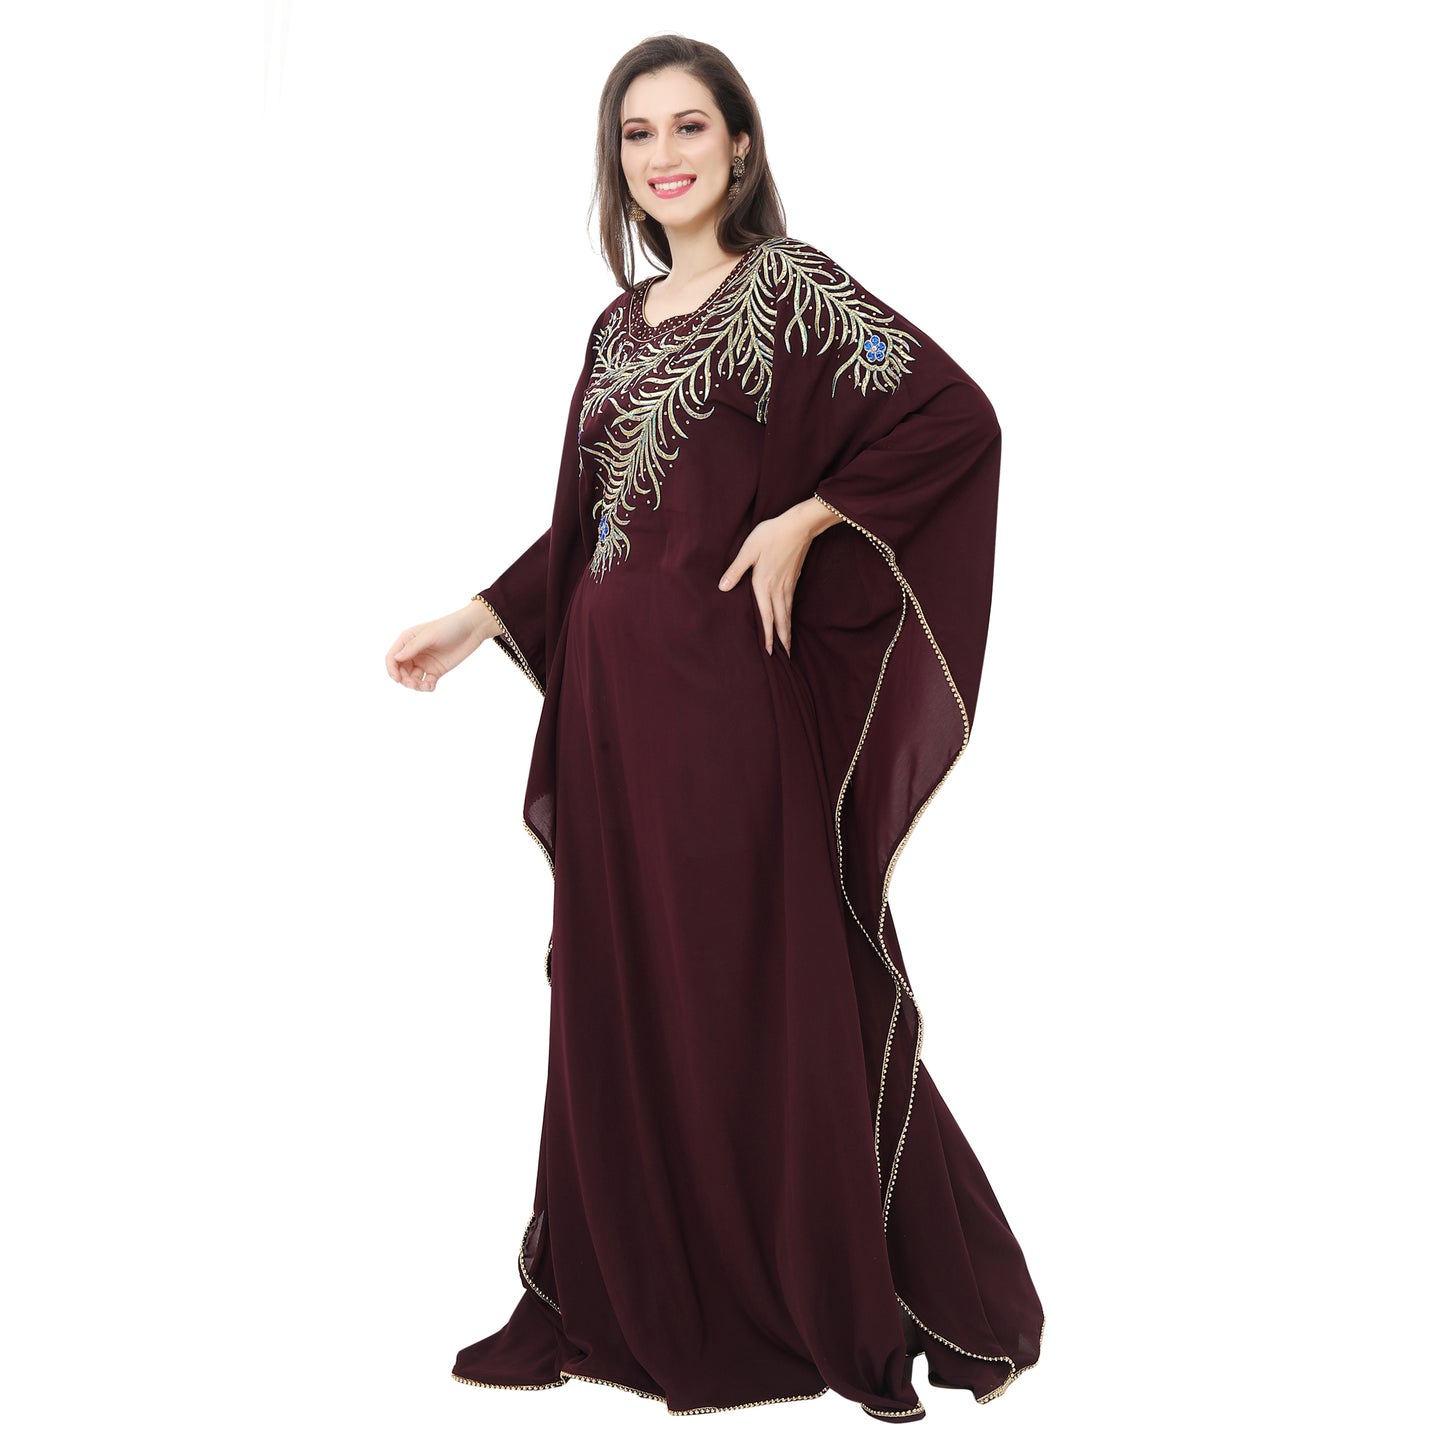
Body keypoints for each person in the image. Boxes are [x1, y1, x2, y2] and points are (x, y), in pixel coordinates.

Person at [384, 33, 1045, 1424]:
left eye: (691, 126)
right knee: (633, 991)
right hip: (609, 719)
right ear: (615, 160)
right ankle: (649, 1283)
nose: (664, 155)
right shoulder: (616, 327)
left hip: (727, 714)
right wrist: (479, 616)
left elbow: (954, 416)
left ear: (740, 145)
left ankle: (823, 1282)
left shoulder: (793, 293)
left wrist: (810, 516)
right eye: (638, 134)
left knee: (757, 989)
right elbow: (596, 526)